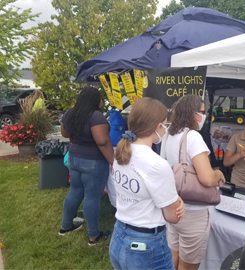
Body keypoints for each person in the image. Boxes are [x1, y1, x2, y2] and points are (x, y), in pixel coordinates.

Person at [109, 97, 185, 270]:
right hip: (146, 245)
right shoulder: (157, 164)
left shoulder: (121, 153)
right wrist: (179, 203)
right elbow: (173, 216)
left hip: (120, 234)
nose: (165, 130)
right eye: (165, 125)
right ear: (157, 126)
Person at [165, 95, 225, 270]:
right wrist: (219, 173)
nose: (204, 116)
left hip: (174, 206)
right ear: (192, 113)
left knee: (172, 258)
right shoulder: (193, 137)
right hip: (194, 211)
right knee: (188, 265)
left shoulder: (171, 135)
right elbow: (207, 178)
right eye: (202, 112)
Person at [59, 87, 114, 245]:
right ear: (95, 100)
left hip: (74, 158)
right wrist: (113, 161)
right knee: (92, 197)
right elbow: (102, 141)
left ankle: (65, 226)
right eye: (101, 98)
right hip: (93, 161)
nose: (102, 101)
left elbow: (64, 133)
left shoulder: (70, 113)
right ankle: (94, 236)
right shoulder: (96, 117)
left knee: (74, 191)